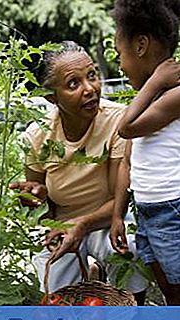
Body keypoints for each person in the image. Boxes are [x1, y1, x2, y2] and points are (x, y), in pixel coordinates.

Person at [10, 41, 148, 304]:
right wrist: (35, 198)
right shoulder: (38, 136)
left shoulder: (118, 121)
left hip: (107, 221)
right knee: (57, 295)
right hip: (62, 226)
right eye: (73, 84)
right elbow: (38, 204)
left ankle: (134, 314)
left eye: (92, 76)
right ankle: (91, 273)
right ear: (53, 98)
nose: (89, 89)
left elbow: (120, 200)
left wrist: (82, 224)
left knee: (125, 249)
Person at [110, 0, 180, 305]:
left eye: (119, 54)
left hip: (172, 210)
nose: (119, 65)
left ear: (140, 45)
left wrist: (153, 84)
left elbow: (126, 127)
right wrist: (117, 216)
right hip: (147, 210)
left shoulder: (174, 93)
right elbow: (127, 160)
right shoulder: (148, 95)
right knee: (166, 286)